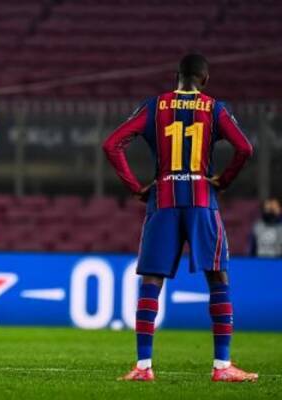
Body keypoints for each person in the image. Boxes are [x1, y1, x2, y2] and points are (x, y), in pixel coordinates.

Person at [103, 53, 258, 382]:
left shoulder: (154, 106)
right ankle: (222, 366)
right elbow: (245, 148)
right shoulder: (214, 108)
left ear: (177, 76)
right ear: (205, 79)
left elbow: (112, 144)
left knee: (152, 281)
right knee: (217, 277)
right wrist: (224, 181)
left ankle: (143, 367)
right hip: (202, 200)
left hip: (163, 199)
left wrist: (136, 188)